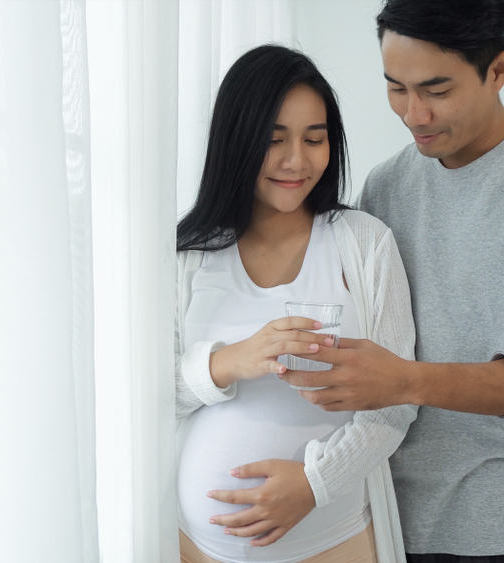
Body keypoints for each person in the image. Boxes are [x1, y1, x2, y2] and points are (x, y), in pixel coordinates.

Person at [281, 1, 504, 561]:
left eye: (437, 90)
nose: (414, 114)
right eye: (395, 88)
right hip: (384, 513)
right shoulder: (385, 186)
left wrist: (408, 380)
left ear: (499, 70)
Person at [175, 44, 417, 563]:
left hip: (332, 542)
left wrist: (314, 484)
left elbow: (397, 403)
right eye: (273, 139)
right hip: (197, 548)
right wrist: (225, 363)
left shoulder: (364, 242)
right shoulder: (188, 255)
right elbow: (144, 399)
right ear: (236, 142)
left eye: (315, 138)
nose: (296, 161)